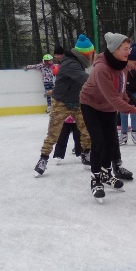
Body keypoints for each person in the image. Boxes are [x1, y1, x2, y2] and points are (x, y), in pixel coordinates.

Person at [80, 32, 136, 202]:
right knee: (98, 142)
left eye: (129, 48)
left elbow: (120, 90)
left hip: (107, 107)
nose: (128, 52)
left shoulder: (122, 65)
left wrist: (131, 101)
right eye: (125, 48)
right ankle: (96, 179)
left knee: (111, 142)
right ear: (114, 49)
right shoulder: (101, 68)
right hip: (91, 105)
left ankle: (106, 174)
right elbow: (113, 98)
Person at [34, 35, 94, 176]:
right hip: (61, 102)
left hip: (77, 101)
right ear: (85, 53)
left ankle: (86, 153)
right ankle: (43, 159)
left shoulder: (77, 62)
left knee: (86, 129)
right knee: (53, 133)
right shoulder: (70, 64)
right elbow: (84, 78)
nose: (92, 56)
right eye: (91, 53)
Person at [119, 43, 136, 146]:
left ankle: (135, 132)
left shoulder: (132, 71)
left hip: (135, 92)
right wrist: (132, 100)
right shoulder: (121, 71)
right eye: (135, 63)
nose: (135, 67)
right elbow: (122, 89)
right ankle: (123, 134)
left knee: (134, 114)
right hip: (126, 95)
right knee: (123, 114)